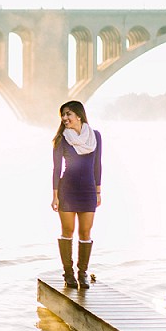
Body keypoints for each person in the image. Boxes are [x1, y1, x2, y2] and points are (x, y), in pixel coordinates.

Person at [51, 100, 102, 289]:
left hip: (88, 190)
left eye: (68, 114)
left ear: (78, 115)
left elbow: (98, 165)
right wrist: (55, 195)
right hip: (67, 191)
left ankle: (83, 273)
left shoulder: (95, 136)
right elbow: (56, 169)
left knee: (85, 232)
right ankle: (68, 273)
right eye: (62, 115)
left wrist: (98, 191)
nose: (64, 118)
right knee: (68, 231)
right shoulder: (61, 139)